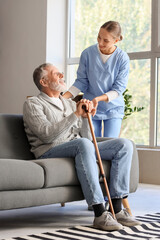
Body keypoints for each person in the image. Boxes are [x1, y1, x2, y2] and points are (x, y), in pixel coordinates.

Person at [23, 63, 140, 231]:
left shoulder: (69, 103)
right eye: (57, 74)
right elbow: (46, 135)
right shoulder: (33, 104)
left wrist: (85, 118)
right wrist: (75, 115)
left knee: (124, 145)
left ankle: (116, 208)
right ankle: (99, 213)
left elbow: (86, 139)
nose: (62, 76)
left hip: (78, 146)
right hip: (49, 150)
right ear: (44, 82)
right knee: (82, 145)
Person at [63, 21, 129, 138]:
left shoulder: (122, 58)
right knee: (92, 143)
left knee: (110, 144)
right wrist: (62, 98)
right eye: (99, 37)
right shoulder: (87, 54)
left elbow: (118, 89)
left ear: (116, 41)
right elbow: (81, 81)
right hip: (90, 107)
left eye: (106, 40)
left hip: (113, 108)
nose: (100, 42)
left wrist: (97, 99)